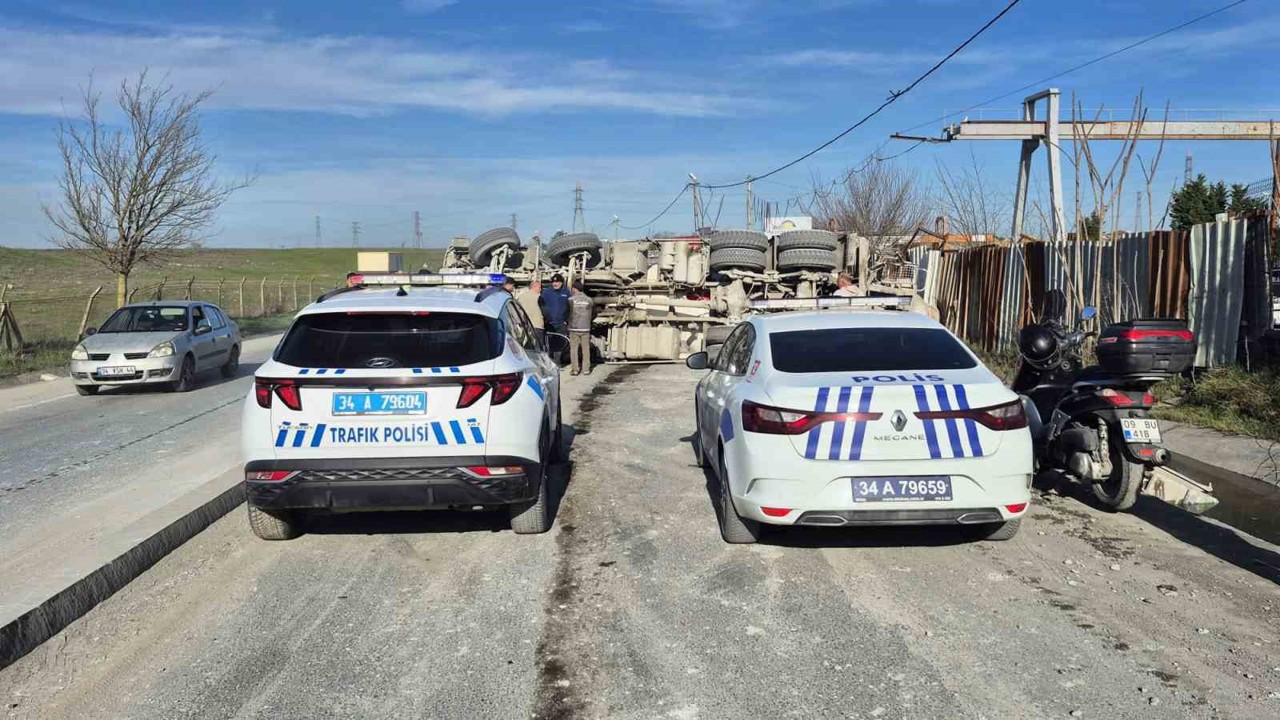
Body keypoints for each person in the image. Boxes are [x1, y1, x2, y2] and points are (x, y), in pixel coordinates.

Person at [540, 274, 571, 359]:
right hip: (549, 322)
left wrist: (567, 320)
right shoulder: (546, 292)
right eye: (553, 282)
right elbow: (541, 305)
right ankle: (550, 361)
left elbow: (570, 307)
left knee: (560, 342)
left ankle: (558, 361)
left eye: (557, 282)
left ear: (562, 283)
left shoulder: (566, 292)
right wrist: (544, 318)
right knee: (549, 343)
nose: (555, 284)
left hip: (561, 323)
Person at [567, 280, 593, 376]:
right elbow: (592, 312)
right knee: (586, 349)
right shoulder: (589, 300)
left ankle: (575, 369)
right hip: (585, 328)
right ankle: (586, 369)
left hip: (574, 328)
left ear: (574, 288)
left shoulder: (571, 300)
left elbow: (568, 312)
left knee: (574, 349)